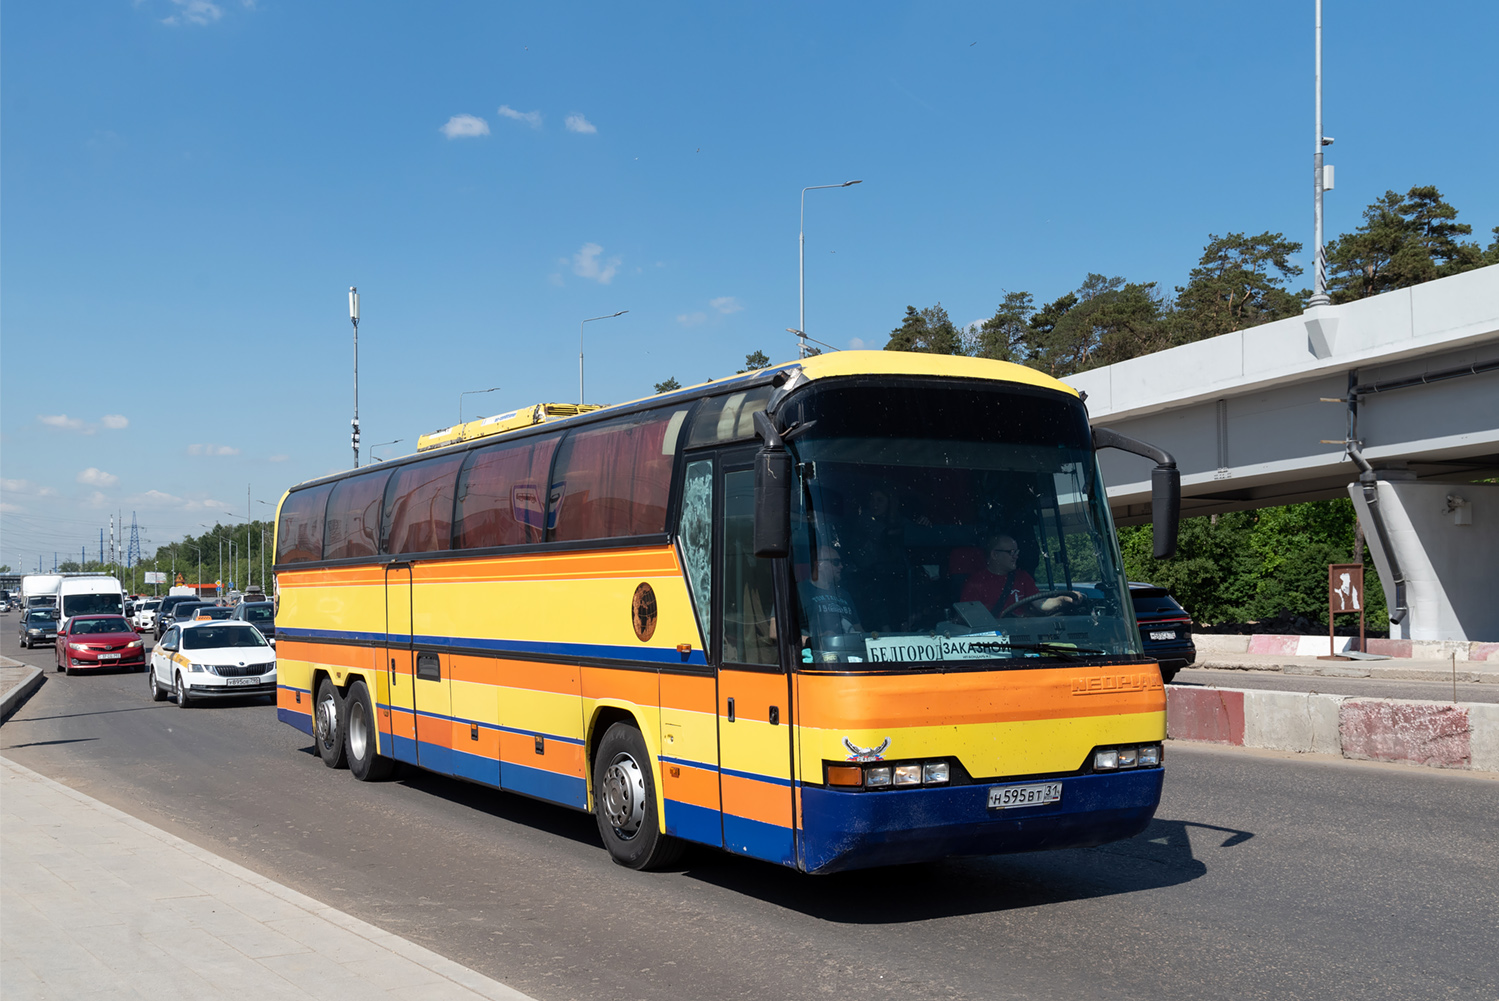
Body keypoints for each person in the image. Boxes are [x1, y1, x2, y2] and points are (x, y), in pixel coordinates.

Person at [960, 532, 1081, 616]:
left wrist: (1063, 599)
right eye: (1011, 552)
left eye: (1016, 551)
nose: (1016, 556)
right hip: (994, 640)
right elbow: (969, 617)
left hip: (1022, 634)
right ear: (994, 555)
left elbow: (1041, 604)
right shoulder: (975, 583)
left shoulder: (1022, 577)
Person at [801, 545, 864, 640]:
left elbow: (858, 629)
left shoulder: (844, 595)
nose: (841, 566)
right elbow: (775, 631)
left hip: (850, 650)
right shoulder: (799, 591)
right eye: (836, 562)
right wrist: (816, 640)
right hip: (816, 652)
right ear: (819, 564)